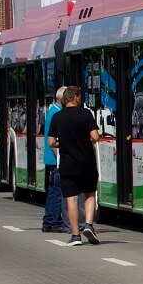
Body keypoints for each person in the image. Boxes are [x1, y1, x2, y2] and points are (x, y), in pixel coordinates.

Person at [48, 86, 101, 247]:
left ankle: (75, 235)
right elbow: (95, 136)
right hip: (86, 162)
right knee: (90, 194)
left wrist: (63, 143)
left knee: (71, 199)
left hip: (67, 164)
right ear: (76, 97)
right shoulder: (85, 114)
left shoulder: (57, 117)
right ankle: (89, 225)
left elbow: (51, 142)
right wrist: (86, 141)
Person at [41, 87, 67, 233]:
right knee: (57, 191)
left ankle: (48, 221)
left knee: (53, 191)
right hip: (55, 158)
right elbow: (55, 140)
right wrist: (60, 159)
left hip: (51, 158)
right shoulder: (57, 113)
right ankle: (54, 222)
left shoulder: (52, 111)